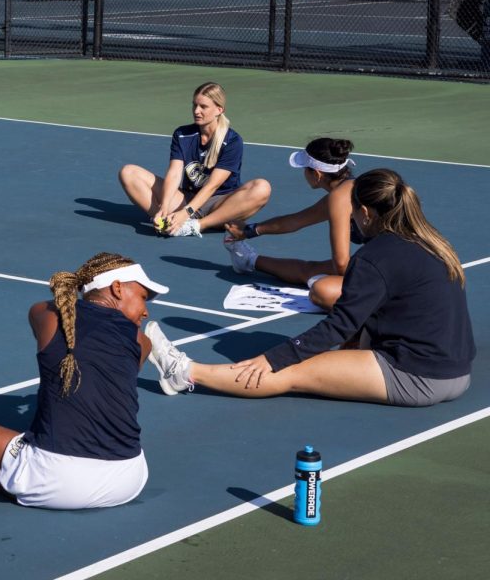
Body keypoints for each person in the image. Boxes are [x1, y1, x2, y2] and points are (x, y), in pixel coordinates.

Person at [145, 169, 474, 407]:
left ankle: (185, 373)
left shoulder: (374, 259)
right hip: (456, 370)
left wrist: (276, 358)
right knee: (344, 346)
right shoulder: (431, 241)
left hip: (419, 377)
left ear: (363, 212)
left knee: (290, 372)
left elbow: (338, 325)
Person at [0, 253, 167, 509]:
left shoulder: (46, 314)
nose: (146, 311)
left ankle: (15, 474)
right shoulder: (141, 343)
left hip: (57, 482)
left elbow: (45, 319)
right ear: (116, 288)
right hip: (130, 479)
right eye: (143, 298)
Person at [119, 81, 270, 237]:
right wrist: (163, 207)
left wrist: (186, 212)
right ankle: (166, 222)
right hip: (187, 198)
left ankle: (196, 226)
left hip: (220, 205)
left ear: (219, 109)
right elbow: (174, 173)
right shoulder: (182, 134)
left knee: (262, 187)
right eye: (194, 105)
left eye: (203, 107)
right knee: (128, 172)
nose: (196, 111)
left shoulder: (232, 140)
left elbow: (213, 185)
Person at [223, 138, 358, 309]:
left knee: (321, 290)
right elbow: (295, 221)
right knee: (310, 271)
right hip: (383, 260)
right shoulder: (349, 188)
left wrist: (340, 281)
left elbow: (340, 264)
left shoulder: (339, 198)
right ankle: (248, 260)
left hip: (391, 269)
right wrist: (248, 231)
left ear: (316, 174)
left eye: (304, 169)